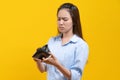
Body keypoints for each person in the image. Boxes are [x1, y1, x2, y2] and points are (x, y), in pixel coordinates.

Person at [33, 3, 89, 80]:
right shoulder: (52, 41)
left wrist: (57, 64)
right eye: (59, 19)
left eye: (65, 19)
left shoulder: (80, 45)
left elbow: (75, 77)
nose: (61, 23)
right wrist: (38, 60)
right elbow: (43, 69)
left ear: (74, 21)